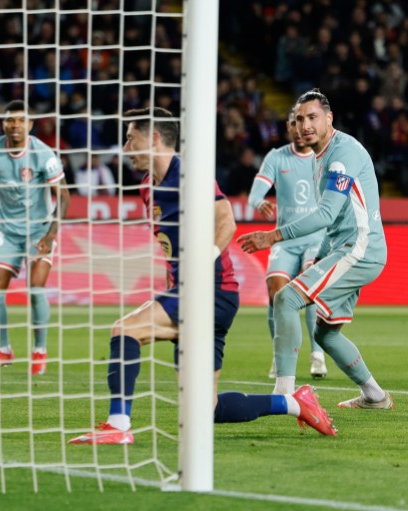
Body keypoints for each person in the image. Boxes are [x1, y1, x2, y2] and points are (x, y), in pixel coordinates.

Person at [69, 107, 336, 445]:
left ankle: (119, 426)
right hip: (197, 294)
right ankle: (295, 403)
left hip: (210, 292)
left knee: (126, 330)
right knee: (203, 409)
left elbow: (226, 220)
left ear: (152, 138)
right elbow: (170, 250)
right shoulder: (148, 186)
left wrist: (200, 266)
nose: (125, 148)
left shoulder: (188, 174)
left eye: (129, 139)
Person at [238, 89, 392, 410]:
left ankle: (284, 394)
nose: (305, 125)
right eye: (299, 120)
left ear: (328, 118)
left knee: (286, 298)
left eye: (312, 117)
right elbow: (331, 224)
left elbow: (325, 214)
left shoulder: (342, 153)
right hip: (346, 247)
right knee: (326, 334)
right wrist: (319, 256)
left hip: (359, 248)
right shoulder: (321, 158)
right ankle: (375, 396)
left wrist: (273, 237)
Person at [0, 100, 70, 376]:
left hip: (39, 228)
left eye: (20, 120)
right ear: (3, 123)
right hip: (7, 229)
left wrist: (52, 233)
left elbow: (63, 195)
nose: (14, 125)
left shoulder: (43, 154)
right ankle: (3, 351)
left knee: (36, 289)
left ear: (30, 125)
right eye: (9, 120)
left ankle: (39, 351)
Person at [247, 107, 327, 380]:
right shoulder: (276, 157)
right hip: (285, 239)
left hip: (316, 237)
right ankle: (278, 351)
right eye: (296, 122)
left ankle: (317, 353)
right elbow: (256, 193)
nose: (301, 128)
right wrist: (259, 202)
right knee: (276, 295)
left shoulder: (323, 157)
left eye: (306, 121)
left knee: (309, 286)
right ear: (289, 126)